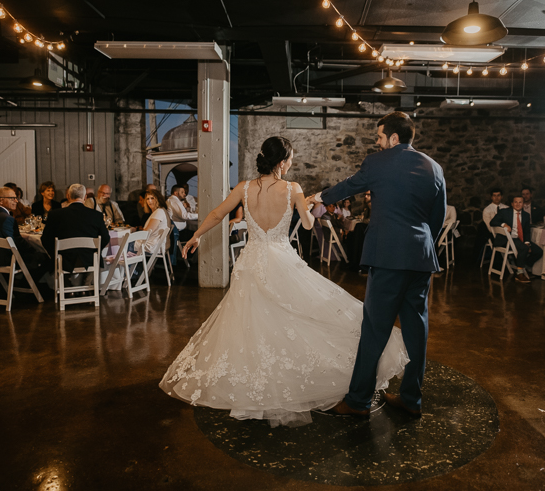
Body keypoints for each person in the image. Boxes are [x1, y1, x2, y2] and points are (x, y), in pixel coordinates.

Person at [160, 136, 409, 427]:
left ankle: (253, 378)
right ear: (281, 162)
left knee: (251, 322)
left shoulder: (244, 187)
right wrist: (311, 206)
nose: (291, 164)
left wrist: (196, 235)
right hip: (281, 259)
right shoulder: (293, 189)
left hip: (251, 262)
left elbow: (217, 213)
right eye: (290, 159)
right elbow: (307, 224)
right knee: (293, 316)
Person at [310, 111, 446, 419]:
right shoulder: (434, 167)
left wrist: (318, 196)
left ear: (394, 138)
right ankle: (412, 399)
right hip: (421, 258)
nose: (377, 141)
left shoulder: (377, 162)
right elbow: (436, 218)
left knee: (374, 328)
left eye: (380, 136)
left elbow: (349, 186)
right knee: (417, 329)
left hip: (388, 256)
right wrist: (421, 244)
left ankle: (358, 401)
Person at [0, 187, 48, 281]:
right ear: (0, 200)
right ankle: (30, 287)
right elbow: (17, 242)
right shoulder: (6, 218)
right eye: (12, 198)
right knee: (47, 258)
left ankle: (25, 286)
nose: (16, 201)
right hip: (6, 258)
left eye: (16, 198)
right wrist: (34, 249)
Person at [41, 184, 110, 273]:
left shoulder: (55, 215)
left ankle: (66, 282)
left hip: (64, 261)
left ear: (68, 196)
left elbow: (45, 239)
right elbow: (105, 238)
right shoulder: (96, 215)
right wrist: (94, 253)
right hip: (89, 260)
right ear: (85, 198)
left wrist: (56, 255)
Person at [490, 195, 543, 283]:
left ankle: (523, 264)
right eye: (516, 202)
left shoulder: (526, 215)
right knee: (524, 248)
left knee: (538, 251)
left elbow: (526, 231)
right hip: (507, 239)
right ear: (512, 203)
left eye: (520, 202)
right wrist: (504, 225)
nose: (518, 204)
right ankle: (519, 273)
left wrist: (527, 242)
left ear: (523, 204)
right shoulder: (505, 212)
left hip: (520, 239)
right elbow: (492, 222)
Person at [140, 189, 170, 254]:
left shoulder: (159, 212)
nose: (149, 201)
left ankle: (123, 264)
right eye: (147, 199)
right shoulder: (160, 210)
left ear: (158, 199)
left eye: (152, 198)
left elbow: (146, 233)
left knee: (123, 244)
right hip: (155, 244)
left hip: (152, 246)